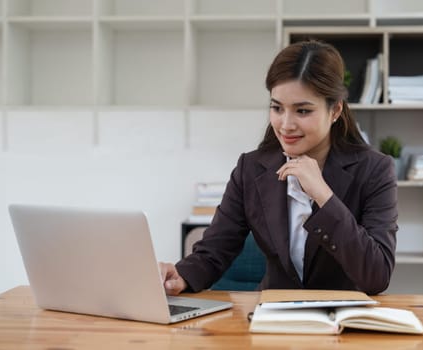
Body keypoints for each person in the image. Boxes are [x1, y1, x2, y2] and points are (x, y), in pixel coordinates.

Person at [160, 40, 398, 296]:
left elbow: (377, 275)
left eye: (303, 111)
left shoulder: (374, 170)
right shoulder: (250, 169)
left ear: (335, 110)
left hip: (344, 322)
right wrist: (182, 275)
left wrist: (323, 196)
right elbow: (215, 250)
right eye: (277, 108)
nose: (285, 124)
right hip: (273, 320)